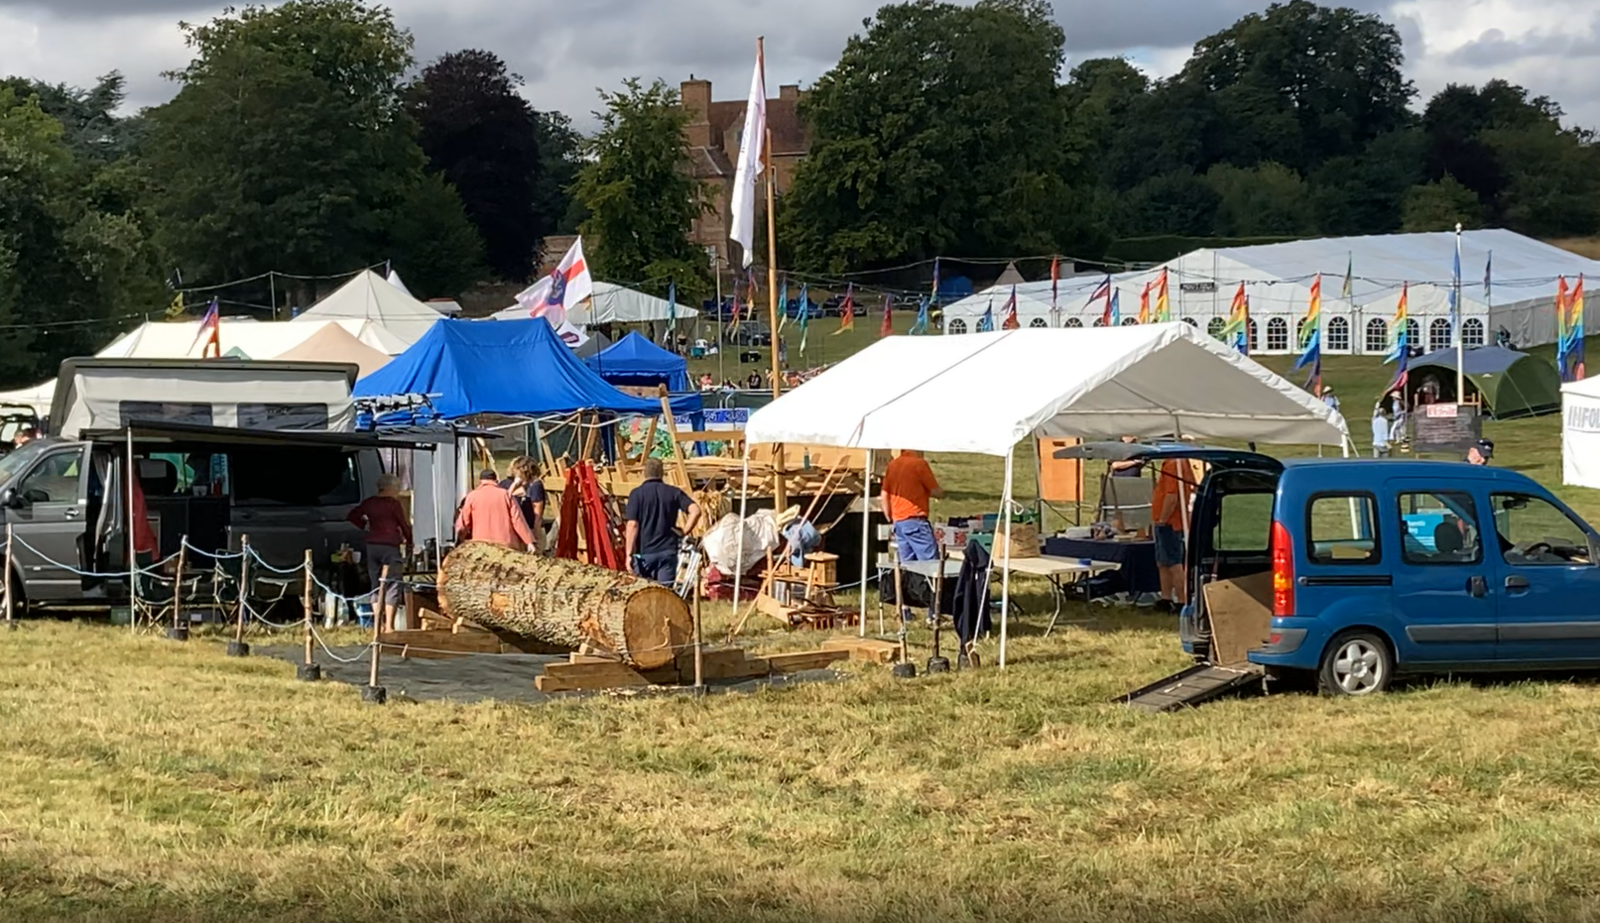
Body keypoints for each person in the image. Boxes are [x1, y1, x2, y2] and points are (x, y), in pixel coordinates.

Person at [881, 449, 944, 621]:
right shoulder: (919, 464)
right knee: (932, 565)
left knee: (905, 566)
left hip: (899, 522)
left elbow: (884, 494)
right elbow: (935, 490)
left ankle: (904, 608)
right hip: (916, 520)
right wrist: (940, 493)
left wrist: (890, 517)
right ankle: (933, 611)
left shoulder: (893, 465)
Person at [347, 473, 413, 628]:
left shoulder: (369, 503)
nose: (397, 491)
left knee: (375, 584)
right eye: (396, 488)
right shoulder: (393, 504)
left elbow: (352, 515)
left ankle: (378, 624)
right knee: (393, 583)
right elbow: (403, 524)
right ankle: (389, 625)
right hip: (390, 546)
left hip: (372, 546)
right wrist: (410, 541)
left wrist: (365, 527)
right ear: (389, 488)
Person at [624, 458, 703, 583]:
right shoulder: (673, 492)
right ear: (662, 473)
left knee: (643, 594)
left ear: (644, 473)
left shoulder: (636, 494)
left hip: (644, 554)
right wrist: (684, 531)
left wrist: (628, 554)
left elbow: (633, 525)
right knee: (664, 595)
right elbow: (696, 510)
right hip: (667, 551)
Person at [1149, 457, 1195, 612]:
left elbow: (1172, 495)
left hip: (1170, 522)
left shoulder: (1174, 464)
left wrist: (1163, 517)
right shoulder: (1177, 463)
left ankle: (1182, 601)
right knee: (1163, 562)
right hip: (1164, 521)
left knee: (1174, 562)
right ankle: (1165, 598)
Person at [455, 468, 535, 551]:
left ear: (480, 481)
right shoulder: (506, 495)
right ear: (496, 481)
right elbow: (517, 520)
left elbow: (464, 522)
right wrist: (529, 541)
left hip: (481, 545)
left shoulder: (472, 496)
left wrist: (460, 539)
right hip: (506, 545)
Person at [500, 455, 547, 554]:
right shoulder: (525, 485)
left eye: (517, 470)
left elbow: (537, 513)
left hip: (531, 529)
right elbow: (506, 498)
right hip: (522, 530)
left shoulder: (535, 485)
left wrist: (534, 537)